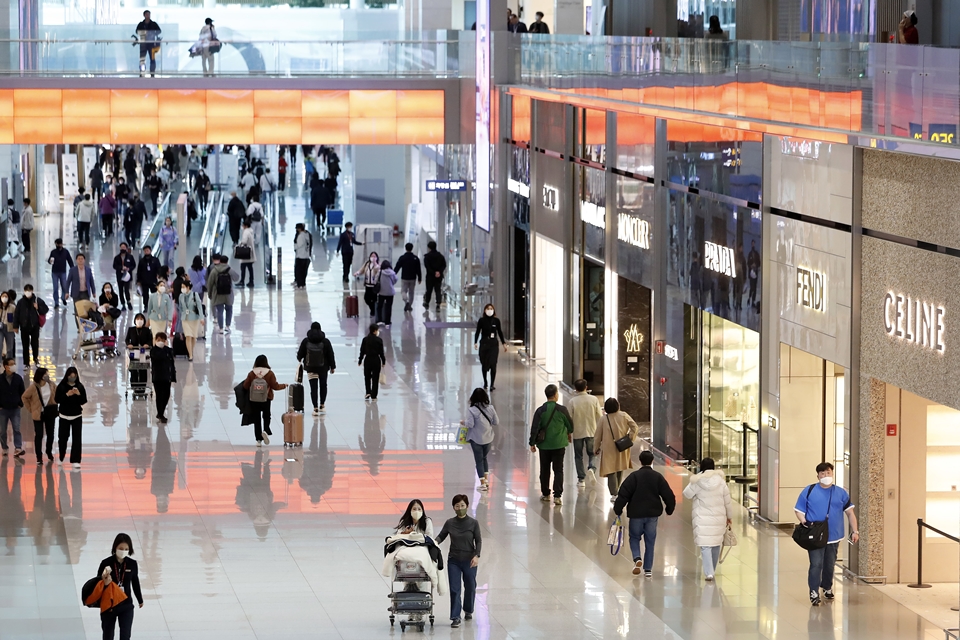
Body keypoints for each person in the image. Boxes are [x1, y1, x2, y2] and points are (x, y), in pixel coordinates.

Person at [794, 462, 859, 605]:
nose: (825, 476)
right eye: (822, 473)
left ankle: (827, 587)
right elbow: (798, 510)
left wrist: (855, 531)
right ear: (817, 475)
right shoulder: (809, 491)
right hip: (815, 536)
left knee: (830, 564)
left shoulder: (841, 493)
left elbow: (850, 513)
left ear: (832, 474)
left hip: (834, 535)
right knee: (816, 564)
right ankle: (814, 591)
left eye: (828, 473)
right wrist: (805, 522)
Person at [613, 450, 677, 577]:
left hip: (636, 514)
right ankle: (648, 569)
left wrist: (618, 509)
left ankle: (637, 558)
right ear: (652, 461)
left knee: (634, 538)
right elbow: (668, 494)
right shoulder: (657, 477)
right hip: (652, 515)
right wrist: (669, 509)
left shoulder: (634, 477)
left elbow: (623, 494)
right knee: (650, 541)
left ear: (640, 461)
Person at [682, 457, 734, 581]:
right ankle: (712, 570)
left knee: (705, 546)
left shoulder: (698, 481)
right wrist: (729, 517)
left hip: (702, 518)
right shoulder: (721, 482)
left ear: (701, 467)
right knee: (716, 544)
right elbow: (727, 501)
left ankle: (709, 572)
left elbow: (687, 493)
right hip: (718, 518)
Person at [435, 494, 482, 629]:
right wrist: (433, 543)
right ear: (453, 508)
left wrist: (477, 555)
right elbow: (441, 536)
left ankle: (468, 609)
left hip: (470, 560)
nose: (460, 508)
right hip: (454, 560)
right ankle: (455, 617)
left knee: (470, 586)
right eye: (457, 506)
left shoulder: (473, 523)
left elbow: (478, 540)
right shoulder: (450, 523)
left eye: (462, 505)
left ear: (467, 506)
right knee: (455, 589)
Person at [528, 384, 574, 505]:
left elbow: (535, 428)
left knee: (545, 469)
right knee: (558, 470)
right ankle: (558, 496)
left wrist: (532, 443)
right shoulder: (562, 410)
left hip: (544, 446)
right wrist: (568, 433)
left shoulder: (540, 410)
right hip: (559, 445)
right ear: (555, 395)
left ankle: (546, 494)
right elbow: (570, 425)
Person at [95, 532, 144, 640]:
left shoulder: (132, 564)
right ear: (115, 547)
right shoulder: (106, 563)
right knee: (108, 636)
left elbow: (135, 582)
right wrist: (104, 580)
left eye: (126, 549)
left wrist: (140, 599)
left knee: (125, 636)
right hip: (109, 606)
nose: (123, 551)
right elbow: (98, 584)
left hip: (126, 605)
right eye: (121, 548)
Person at [594, 397, 639, 499]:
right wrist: (630, 437)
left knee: (610, 470)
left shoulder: (603, 419)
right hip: (622, 446)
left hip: (608, 448)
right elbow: (635, 427)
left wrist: (596, 447)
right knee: (619, 467)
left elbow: (598, 435)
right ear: (617, 406)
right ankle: (617, 490)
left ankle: (614, 493)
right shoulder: (624, 415)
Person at [243, 355, 287, 447]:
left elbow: (245, 386)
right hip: (266, 398)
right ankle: (266, 430)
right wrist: (284, 385)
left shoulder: (252, 373)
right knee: (266, 415)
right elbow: (275, 386)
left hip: (254, 399)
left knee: (257, 418)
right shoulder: (269, 373)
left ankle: (258, 440)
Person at [461, 388, 498, 491]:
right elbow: (496, 422)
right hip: (488, 438)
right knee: (485, 458)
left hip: (476, 439)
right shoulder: (491, 408)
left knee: (479, 461)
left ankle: (482, 484)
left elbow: (470, 424)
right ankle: (486, 481)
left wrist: (463, 422)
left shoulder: (472, 410)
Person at [568, 379, 602, 487]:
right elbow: (599, 416)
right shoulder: (594, 399)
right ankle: (591, 468)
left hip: (577, 432)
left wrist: (568, 433)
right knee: (592, 453)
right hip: (592, 431)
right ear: (586, 387)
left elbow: (569, 418)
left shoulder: (572, 401)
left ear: (575, 389)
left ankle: (581, 479)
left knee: (578, 456)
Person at [297, 322, 336, 415]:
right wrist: (332, 367)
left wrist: (300, 360)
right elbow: (330, 354)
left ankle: (315, 408)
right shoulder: (325, 341)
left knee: (313, 388)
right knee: (323, 386)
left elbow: (300, 354)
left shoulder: (306, 341)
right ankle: (322, 405)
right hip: (323, 368)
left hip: (311, 368)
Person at [55, 367, 87, 469]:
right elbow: (57, 399)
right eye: (70, 376)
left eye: (74, 377)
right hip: (64, 416)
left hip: (77, 416)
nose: (72, 378)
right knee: (63, 437)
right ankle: (61, 456)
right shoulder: (61, 386)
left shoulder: (80, 387)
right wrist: (67, 395)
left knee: (77, 439)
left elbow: (83, 401)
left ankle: (76, 460)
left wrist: (78, 394)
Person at [23, 367, 56, 465]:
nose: (47, 375)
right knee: (39, 435)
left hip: (50, 412)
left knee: (50, 434)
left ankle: (49, 452)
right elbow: (24, 397)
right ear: (41, 376)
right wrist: (31, 409)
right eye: (45, 374)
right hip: (38, 414)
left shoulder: (51, 385)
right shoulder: (34, 387)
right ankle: (39, 456)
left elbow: (58, 394)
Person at [473, 303, 507, 390]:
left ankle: (492, 384)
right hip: (484, 343)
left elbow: (500, 332)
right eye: (488, 308)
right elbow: (477, 331)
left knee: (493, 364)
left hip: (493, 345)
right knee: (484, 363)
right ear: (485, 310)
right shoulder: (481, 320)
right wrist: (475, 342)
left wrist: (503, 343)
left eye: (491, 308)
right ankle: (485, 382)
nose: (489, 310)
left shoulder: (496, 321)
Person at [13, 285, 47, 368]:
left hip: (35, 326)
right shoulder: (20, 302)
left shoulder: (37, 300)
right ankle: (26, 363)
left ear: (32, 291)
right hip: (24, 326)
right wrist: (16, 326)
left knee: (35, 344)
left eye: (29, 290)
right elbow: (16, 314)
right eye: (26, 290)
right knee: (25, 345)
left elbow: (46, 309)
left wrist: (38, 307)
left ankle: (35, 359)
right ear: (24, 291)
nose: (28, 292)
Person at [206, 254, 239, 334]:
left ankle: (221, 328)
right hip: (228, 294)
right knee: (229, 310)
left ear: (220, 261)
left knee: (219, 311)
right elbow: (237, 278)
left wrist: (210, 294)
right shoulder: (229, 270)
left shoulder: (214, 270)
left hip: (218, 294)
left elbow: (210, 283)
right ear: (227, 262)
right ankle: (227, 326)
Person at [0, 358, 25, 459]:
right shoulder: (0, 379)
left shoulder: (18, 378)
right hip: (3, 409)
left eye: (14, 364)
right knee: (2, 430)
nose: (14, 365)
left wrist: (20, 403)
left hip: (15, 408)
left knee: (16, 428)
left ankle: (18, 447)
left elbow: (23, 392)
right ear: (6, 367)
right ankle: (4, 447)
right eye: (12, 364)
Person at [150, 332, 177, 423]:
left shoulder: (169, 350)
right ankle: (160, 414)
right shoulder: (153, 350)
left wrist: (173, 375)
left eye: (162, 340)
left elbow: (171, 363)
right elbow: (159, 357)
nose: (160, 342)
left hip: (167, 376)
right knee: (159, 395)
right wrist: (161, 348)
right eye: (158, 340)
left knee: (166, 395)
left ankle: (161, 412)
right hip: (157, 377)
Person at [358, 323, 386, 400]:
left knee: (367, 377)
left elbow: (362, 351)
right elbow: (381, 352)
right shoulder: (379, 340)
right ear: (374, 331)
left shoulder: (365, 340)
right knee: (375, 377)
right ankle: (374, 394)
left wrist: (360, 360)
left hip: (368, 359)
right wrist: (383, 361)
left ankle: (368, 392)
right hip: (376, 360)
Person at [177, 280, 203, 361]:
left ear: (188, 287)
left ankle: (191, 350)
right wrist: (182, 313)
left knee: (193, 337)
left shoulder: (195, 295)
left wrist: (201, 317)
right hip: (185, 318)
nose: (182, 289)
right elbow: (180, 307)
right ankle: (190, 355)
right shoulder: (181, 296)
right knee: (188, 336)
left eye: (184, 287)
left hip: (194, 318)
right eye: (181, 287)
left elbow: (199, 306)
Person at [394, 243, 422, 312]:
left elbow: (397, 267)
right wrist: (419, 278)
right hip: (413, 278)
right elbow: (418, 269)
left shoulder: (402, 258)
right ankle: (409, 305)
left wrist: (393, 274)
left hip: (404, 278)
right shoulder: (415, 258)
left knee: (403, 291)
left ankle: (406, 302)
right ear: (412, 248)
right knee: (411, 292)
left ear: (405, 248)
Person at [47, 238, 74, 308]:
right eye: (58, 244)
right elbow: (49, 260)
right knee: (55, 288)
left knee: (64, 286)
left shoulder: (65, 252)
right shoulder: (53, 252)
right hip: (54, 272)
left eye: (60, 244)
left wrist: (72, 268)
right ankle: (56, 302)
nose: (59, 245)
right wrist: (50, 261)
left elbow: (70, 260)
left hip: (63, 272)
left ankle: (63, 297)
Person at [136, 10, 162, 77]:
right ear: (144, 15)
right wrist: (144, 33)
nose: (148, 16)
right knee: (142, 59)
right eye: (146, 14)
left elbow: (159, 31)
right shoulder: (141, 24)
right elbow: (137, 31)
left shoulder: (153, 24)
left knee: (152, 59)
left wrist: (152, 34)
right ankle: (142, 73)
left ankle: (152, 73)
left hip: (151, 44)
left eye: (149, 14)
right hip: (143, 44)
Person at [423, 240, 446, 310]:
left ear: (429, 248)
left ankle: (427, 303)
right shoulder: (441, 256)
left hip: (430, 276)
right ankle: (438, 304)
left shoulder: (427, 257)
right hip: (438, 277)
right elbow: (444, 265)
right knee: (438, 290)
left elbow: (427, 266)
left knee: (429, 290)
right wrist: (439, 272)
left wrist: (433, 273)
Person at [355, 251, 381, 316]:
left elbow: (378, 270)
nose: (373, 257)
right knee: (366, 299)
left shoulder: (378, 265)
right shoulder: (367, 264)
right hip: (367, 285)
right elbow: (362, 270)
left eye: (374, 256)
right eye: (372, 256)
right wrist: (357, 273)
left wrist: (375, 263)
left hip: (374, 285)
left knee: (374, 299)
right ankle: (373, 309)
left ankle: (373, 311)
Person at [113, 244, 137, 311]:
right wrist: (121, 267)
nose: (122, 248)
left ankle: (129, 302)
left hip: (127, 276)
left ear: (126, 248)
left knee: (126, 290)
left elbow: (134, 265)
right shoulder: (117, 257)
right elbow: (114, 266)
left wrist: (129, 268)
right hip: (119, 276)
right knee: (120, 291)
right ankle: (123, 304)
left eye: (124, 247)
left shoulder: (130, 257)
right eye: (121, 247)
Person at [376, 259, 397, 327]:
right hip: (390, 292)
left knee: (380, 306)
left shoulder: (380, 272)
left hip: (381, 292)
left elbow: (376, 279)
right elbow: (395, 280)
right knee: (388, 307)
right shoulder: (392, 272)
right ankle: (387, 322)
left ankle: (379, 320)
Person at [293, 223, 312, 290]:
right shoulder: (308, 235)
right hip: (306, 256)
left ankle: (299, 285)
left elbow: (298, 245)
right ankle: (303, 284)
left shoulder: (301, 236)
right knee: (304, 272)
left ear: (299, 229)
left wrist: (295, 246)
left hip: (300, 256)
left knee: (299, 271)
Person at [238, 220, 256, 288]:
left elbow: (244, 241)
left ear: (245, 226)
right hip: (250, 253)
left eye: (243, 225)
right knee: (250, 268)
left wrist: (240, 243)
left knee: (243, 268)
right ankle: (251, 281)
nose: (242, 227)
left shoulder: (246, 232)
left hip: (245, 254)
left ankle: (242, 281)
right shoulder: (251, 231)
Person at [0, 291, 15, 361]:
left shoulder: (12, 307)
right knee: (0, 345)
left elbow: (16, 317)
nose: (4, 298)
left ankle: (9, 361)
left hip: (9, 328)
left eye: (6, 296)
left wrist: (16, 326)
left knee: (10, 347)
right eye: (3, 296)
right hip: (0, 328)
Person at [747, 240, 760, 309]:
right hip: (751, 273)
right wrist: (751, 266)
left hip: (755, 273)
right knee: (752, 287)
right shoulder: (749, 254)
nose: (753, 245)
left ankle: (753, 301)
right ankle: (749, 299)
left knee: (754, 288)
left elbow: (759, 263)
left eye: (753, 244)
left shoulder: (756, 254)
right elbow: (748, 263)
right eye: (752, 244)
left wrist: (756, 265)